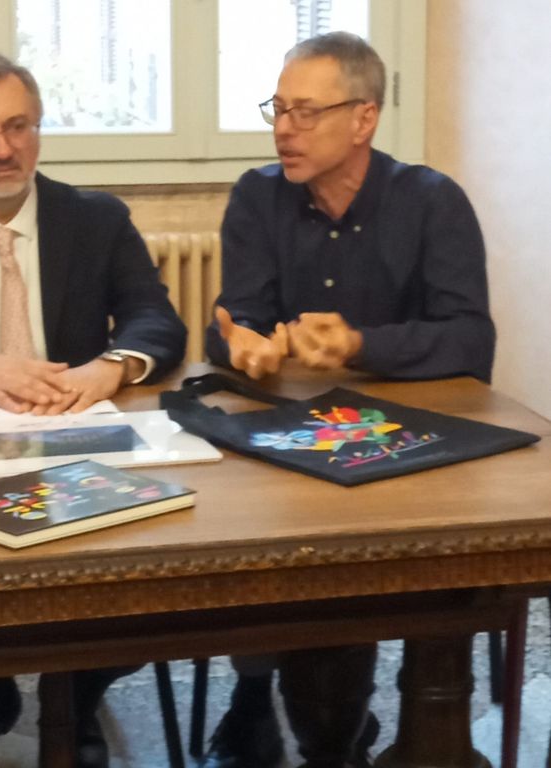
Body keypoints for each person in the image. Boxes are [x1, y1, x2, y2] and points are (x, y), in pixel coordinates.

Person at [205, 31, 495, 768]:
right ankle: (284, 706)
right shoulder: (257, 195)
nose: (283, 129)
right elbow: (236, 318)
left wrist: (361, 345)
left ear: (364, 118)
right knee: (271, 549)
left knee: (370, 577)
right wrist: (245, 347)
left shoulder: (431, 201)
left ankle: (360, 730)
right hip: (293, 448)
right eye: (278, 109)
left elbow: (470, 338)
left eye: (305, 112)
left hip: (412, 452)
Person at [0, 51, 186, 768]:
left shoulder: (95, 219)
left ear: (39, 130)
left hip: (77, 458)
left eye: (17, 126)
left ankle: (78, 696)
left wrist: (110, 367)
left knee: (140, 578)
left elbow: (156, 319)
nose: (1, 148)